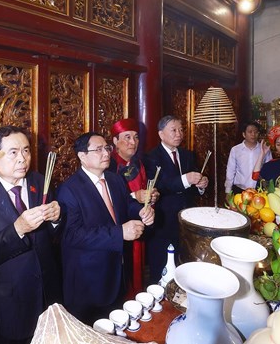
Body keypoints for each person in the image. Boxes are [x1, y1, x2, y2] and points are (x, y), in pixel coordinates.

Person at [0, 126, 62, 344]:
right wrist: (17, 230)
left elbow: (54, 239)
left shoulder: (39, 181)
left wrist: (56, 219)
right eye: (13, 152)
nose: (22, 159)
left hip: (47, 297)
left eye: (26, 151)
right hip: (6, 307)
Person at [57, 132, 154, 325]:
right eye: (98, 150)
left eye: (107, 148)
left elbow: (126, 205)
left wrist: (143, 211)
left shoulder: (114, 179)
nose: (106, 153)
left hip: (116, 271)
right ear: (82, 156)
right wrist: (120, 233)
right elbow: (72, 235)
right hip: (88, 279)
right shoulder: (69, 189)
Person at [143, 115, 208, 282]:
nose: (179, 134)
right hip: (163, 220)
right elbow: (161, 185)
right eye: (173, 130)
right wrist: (186, 179)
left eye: (181, 130)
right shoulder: (151, 157)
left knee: (184, 260)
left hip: (186, 218)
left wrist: (201, 185)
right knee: (161, 264)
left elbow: (192, 185)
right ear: (161, 134)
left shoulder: (187, 155)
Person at [108, 118, 159, 297]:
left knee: (138, 266)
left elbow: (144, 190)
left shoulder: (139, 163)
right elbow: (108, 197)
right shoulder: (108, 165)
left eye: (136, 137)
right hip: (118, 226)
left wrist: (151, 197)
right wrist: (134, 196)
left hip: (139, 222)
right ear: (115, 141)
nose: (133, 142)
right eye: (127, 137)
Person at [224, 122, 272, 195]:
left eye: (256, 132)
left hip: (259, 190)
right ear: (244, 134)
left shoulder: (264, 149)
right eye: (250, 132)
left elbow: (269, 169)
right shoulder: (236, 150)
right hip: (240, 190)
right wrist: (228, 190)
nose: (253, 134)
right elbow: (230, 171)